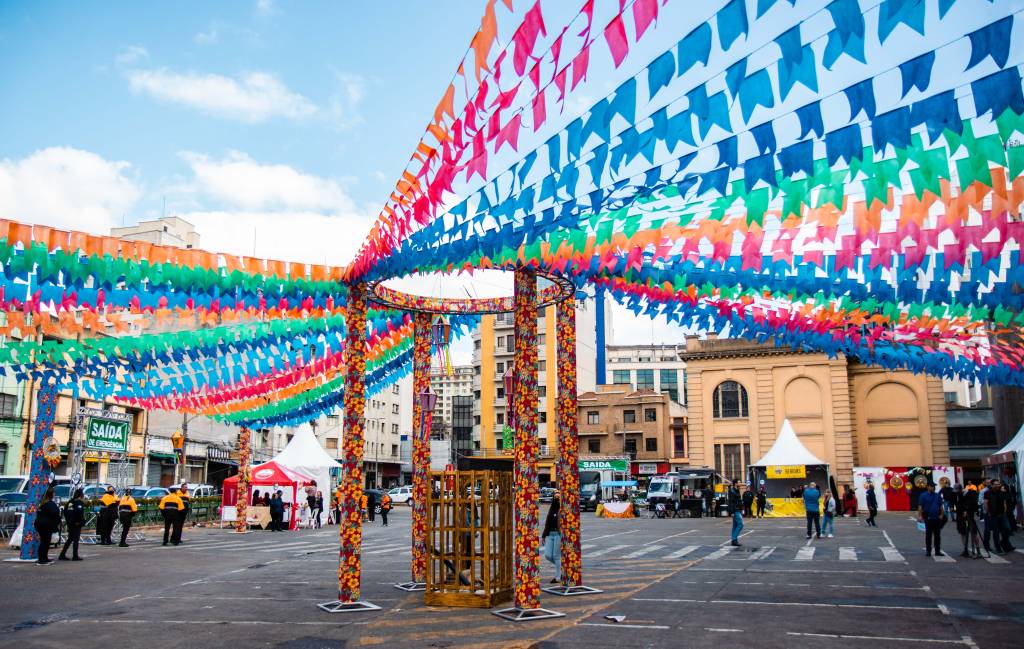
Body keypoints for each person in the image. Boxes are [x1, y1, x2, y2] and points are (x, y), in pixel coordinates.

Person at [985, 480, 1014, 553]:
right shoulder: (987, 493)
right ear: (992, 485)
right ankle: (998, 548)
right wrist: (988, 512)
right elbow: (985, 503)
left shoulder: (1002, 492)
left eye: (999, 484)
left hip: (1002, 514)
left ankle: (1003, 542)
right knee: (996, 532)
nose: (998, 485)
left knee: (1007, 529)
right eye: (996, 484)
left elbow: (1005, 502)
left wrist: (1005, 511)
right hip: (993, 515)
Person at [34, 486, 61, 565]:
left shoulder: (42, 503)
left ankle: (43, 557)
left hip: (39, 524)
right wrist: (56, 523)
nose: (54, 494)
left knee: (44, 541)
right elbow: (55, 514)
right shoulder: (50, 504)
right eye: (53, 493)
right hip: (46, 525)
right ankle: (42, 560)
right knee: (45, 542)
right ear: (51, 494)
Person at [918, 482, 946, 557]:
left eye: (934, 486)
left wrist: (942, 514)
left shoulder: (937, 495)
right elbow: (920, 506)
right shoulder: (923, 495)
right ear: (928, 487)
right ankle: (928, 551)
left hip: (937, 518)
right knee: (928, 535)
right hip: (928, 517)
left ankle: (937, 551)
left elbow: (941, 506)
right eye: (932, 486)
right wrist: (920, 516)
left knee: (937, 535)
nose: (933, 488)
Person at [59, 488, 86, 561]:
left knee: (70, 539)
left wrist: (68, 520)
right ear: (81, 495)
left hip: (70, 523)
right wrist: (79, 521)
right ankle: (75, 555)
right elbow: (79, 512)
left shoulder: (70, 502)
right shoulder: (78, 503)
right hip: (76, 524)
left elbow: (65, 511)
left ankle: (62, 554)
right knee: (76, 539)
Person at [541, 493, 562, 583]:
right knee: (548, 555)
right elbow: (547, 524)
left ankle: (558, 577)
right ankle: (561, 568)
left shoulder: (562, 510)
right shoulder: (551, 509)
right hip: (550, 534)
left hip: (558, 534)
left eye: (558, 497)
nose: (556, 499)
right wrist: (543, 536)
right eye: (555, 497)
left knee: (556, 556)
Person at [728, 480, 743, 547]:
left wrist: (741, 509)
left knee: (735, 525)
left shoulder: (737, 490)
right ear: (735, 483)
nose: (740, 483)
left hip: (738, 509)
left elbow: (739, 501)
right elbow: (730, 502)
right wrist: (732, 512)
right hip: (735, 510)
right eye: (739, 482)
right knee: (740, 524)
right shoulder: (732, 491)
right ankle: (734, 539)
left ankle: (734, 540)